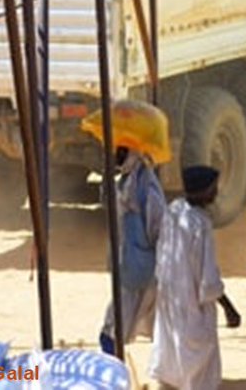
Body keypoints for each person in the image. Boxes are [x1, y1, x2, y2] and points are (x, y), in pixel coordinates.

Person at [150, 165, 242, 389]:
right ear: (202, 191)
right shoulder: (200, 224)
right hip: (190, 299)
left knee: (172, 348)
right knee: (198, 359)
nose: (216, 193)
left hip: (169, 294)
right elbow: (208, 279)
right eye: (213, 188)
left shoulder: (174, 210)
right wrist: (228, 307)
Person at [98, 147, 166, 355]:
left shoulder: (146, 189)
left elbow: (157, 227)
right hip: (130, 263)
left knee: (120, 325)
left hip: (141, 265)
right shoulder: (125, 182)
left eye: (121, 152)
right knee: (120, 323)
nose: (116, 156)